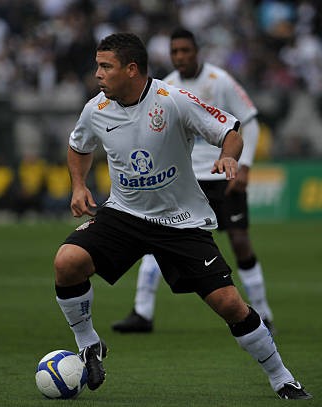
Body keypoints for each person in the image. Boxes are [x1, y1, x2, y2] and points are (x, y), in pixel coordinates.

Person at [53, 32, 311, 400]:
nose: (97, 74)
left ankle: (282, 377)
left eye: (105, 66)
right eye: (97, 65)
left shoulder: (172, 100)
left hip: (179, 220)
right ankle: (88, 343)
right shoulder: (96, 108)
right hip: (124, 213)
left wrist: (229, 157)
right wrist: (78, 185)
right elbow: (78, 145)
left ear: (131, 70)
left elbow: (230, 129)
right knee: (67, 261)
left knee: (229, 305)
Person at [112, 28, 275, 335]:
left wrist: (245, 165)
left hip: (223, 173)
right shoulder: (166, 86)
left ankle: (264, 312)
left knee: (239, 241)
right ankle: (142, 312)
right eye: (175, 52)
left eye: (186, 51)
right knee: (155, 240)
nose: (181, 57)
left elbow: (249, 122)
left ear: (197, 51)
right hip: (185, 179)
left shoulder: (220, 80)